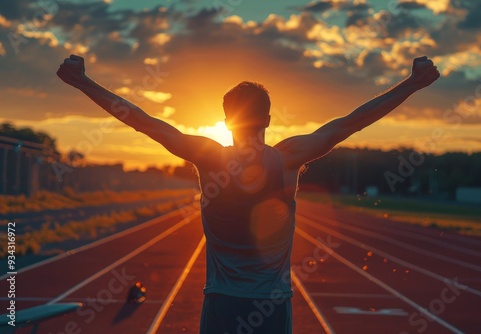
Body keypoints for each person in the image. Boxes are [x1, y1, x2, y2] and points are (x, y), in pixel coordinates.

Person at [57, 55, 439, 333]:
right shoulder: (288, 159)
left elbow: (142, 121)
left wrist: (81, 82)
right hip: (271, 307)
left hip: (220, 303)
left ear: (226, 121)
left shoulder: (207, 158)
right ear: (269, 119)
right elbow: (352, 122)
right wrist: (412, 84)